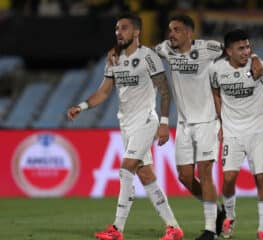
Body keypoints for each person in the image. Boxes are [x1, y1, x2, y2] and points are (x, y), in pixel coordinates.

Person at [108, 15, 263, 240]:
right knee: (185, 177)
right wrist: (116, 49)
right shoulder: (165, 50)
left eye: (176, 30)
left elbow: (236, 50)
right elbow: (139, 49)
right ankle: (219, 212)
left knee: (205, 171)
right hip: (183, 124)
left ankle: (210, 229)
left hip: (207, 121)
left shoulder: (207, 48)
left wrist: (255, 57)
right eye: (170, 30)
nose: (171, 34)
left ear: (189, 33)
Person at [67, 13, 183, 240]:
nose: (119, 32)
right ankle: (173, 227)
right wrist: (81, 106)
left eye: (124, 28)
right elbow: (103, 92)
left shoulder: (148, 56)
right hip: (126, 124)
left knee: (125, 168)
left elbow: (164, 90)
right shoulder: (114, 59)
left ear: (137, 32)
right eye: (117, 29)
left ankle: (117, 229)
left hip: (146, 120)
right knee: (146, 174)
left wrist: (163, 123)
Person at [209, 29, 263, 240]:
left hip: (258, 132)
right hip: (233, 133)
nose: (246, 51)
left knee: (261, 179)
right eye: (240, 48)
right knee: (228, 179)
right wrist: (221, 121)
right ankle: (230, 217)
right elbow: (215, 92)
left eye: (248, 47)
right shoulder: (216, 70)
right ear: (228, 51)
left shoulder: (260, 68)